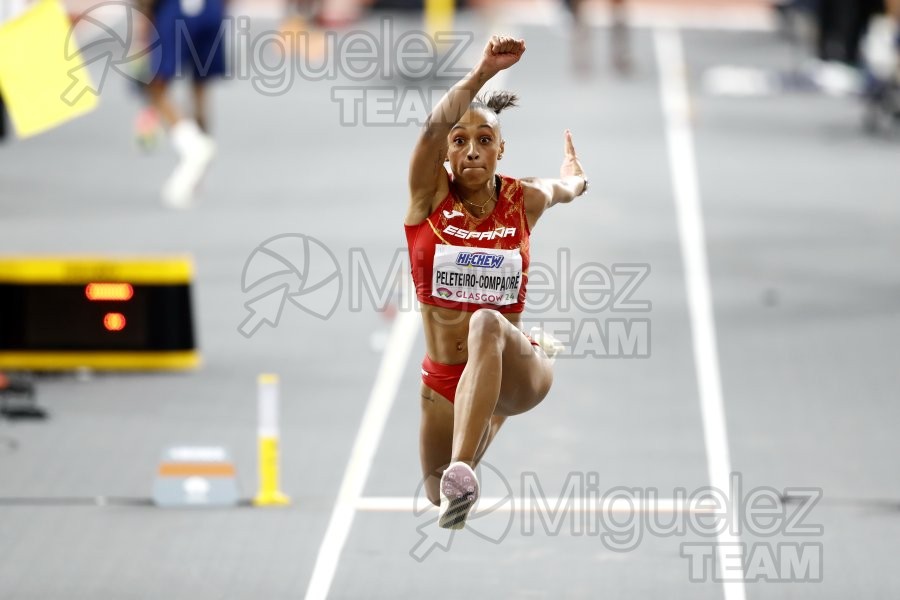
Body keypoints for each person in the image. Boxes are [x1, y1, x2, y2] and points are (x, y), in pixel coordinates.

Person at [405, 35, 589, 529]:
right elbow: (429, 131)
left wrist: (575, 178)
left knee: (486, 323)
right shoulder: (427, 201)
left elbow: (562, 188)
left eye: (484, 140)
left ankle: (465, 471)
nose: (471, 150)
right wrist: (483, 72)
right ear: (446, 153)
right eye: (459, 141)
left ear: (501, 150)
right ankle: (474, 444)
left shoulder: (521, 199)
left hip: (514, 367)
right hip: (445, 378)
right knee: (432, 496)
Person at [135, 0, 226, 208]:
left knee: (155, 87)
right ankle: (198, 174)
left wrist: (143, 22)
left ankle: (194, 147)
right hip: (211, 10)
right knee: (200, 90)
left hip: (175, 10)